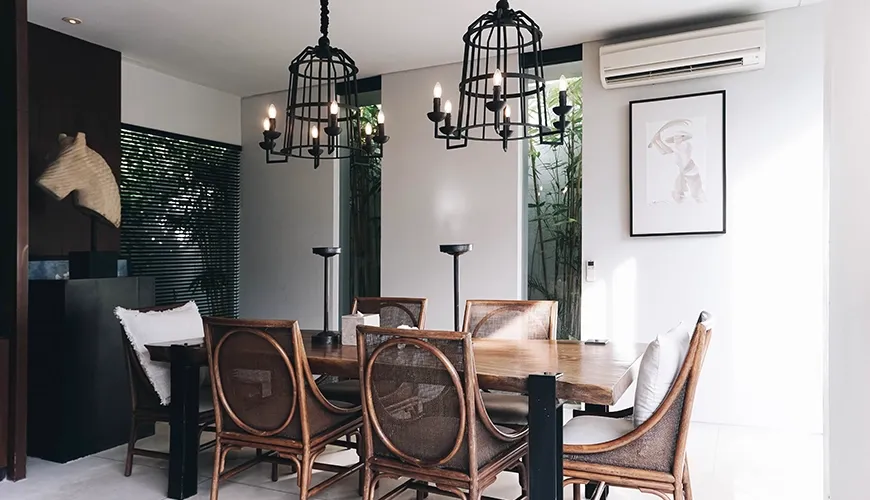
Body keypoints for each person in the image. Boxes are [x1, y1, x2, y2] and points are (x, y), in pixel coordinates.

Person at [648, 119, 706, 203]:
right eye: (675, 137)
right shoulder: (676, 147)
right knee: (680, 190)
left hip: (690, 171)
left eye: (678, 137)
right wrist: (656, 141)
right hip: (684, 172)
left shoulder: (685, 145)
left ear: (682, 138)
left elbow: (670, 150)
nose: (676, 139)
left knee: (694, 193)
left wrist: (658, 140)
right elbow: (664, 151)